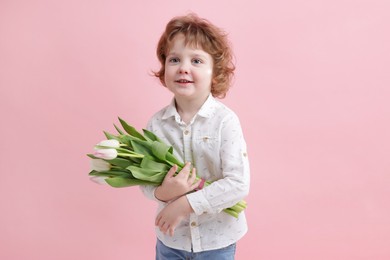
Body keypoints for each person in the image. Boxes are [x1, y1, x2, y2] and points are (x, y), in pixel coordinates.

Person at [141, 13, 250, 260]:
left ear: (216, 72)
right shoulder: (156, 125)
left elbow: (238, 183)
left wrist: (185, 204)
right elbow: (145, 182)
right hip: (171, 240)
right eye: (175, 59)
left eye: (197, 61)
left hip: (217, 241)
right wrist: (163, 194)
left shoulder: (225, 121)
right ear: (164, 67)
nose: (183, 68)